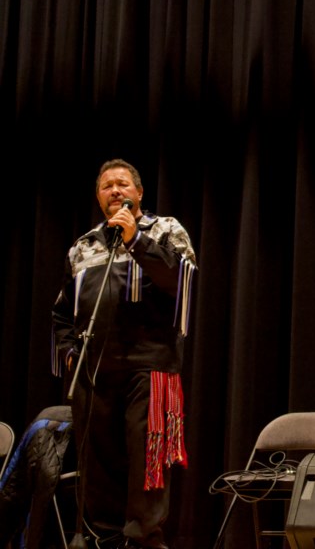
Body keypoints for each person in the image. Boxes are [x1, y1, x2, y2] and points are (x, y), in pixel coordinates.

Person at [52, 158, 198, 549]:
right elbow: (61, 312)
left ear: (139, 193)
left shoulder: (165, 229)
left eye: (122, 184)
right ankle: (102, 540)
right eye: (106, 186)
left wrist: (136, 241)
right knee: (97, 472)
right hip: (94, 373)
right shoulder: (83, 245)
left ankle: (144, 543)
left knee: (144, 470)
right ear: (98, 197)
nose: (115, 191)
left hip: (149, 369)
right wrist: (69, 354)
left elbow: (180, 281)